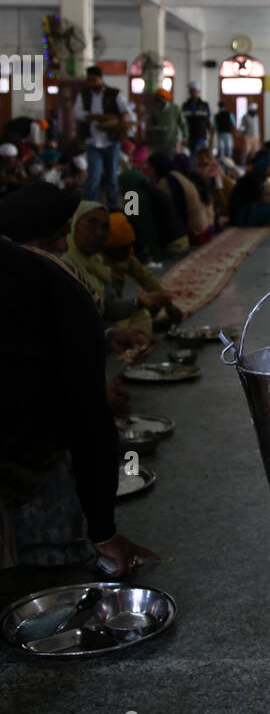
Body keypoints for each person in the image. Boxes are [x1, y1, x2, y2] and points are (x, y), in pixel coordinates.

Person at [0, 183, 157, 572]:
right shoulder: (60, 280)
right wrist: (103, 531)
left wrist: (103, 340)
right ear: (64, 232)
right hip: (23, 466)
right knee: (52, 570)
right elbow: (88, 416)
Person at [102, 212, 180, 333]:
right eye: (122, 249)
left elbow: (146, 278)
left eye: (128, 248)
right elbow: (108, 307)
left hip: (117, 306)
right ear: (107, 248)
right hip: (105, 312)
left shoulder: (124, 255)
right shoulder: (98, 261)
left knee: (149, 305)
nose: (126, 253)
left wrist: (166, 303)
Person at [72, 64, 133, 208]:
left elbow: (126, 110)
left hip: (111, 142)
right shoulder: (84, 95)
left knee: (112, 178)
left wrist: (122, 118)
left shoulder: (114, 93)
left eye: (93, 79)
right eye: (89, 80)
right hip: (93, 142)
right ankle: (91, 208)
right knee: (93, 178)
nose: (91, 83)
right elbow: (77, 113)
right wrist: (92, 117)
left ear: (100, 79)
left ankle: (113, 209)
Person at [148, 152, 214, 245]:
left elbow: (166, 213)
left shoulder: (166, 182)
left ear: (156, 167)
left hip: (195, 235)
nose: (147, 172)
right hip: (205, 230)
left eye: (149, 168)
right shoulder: (176, 176)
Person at [228, 150, 270, 226]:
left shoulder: (258, 177)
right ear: (263, 165)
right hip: (241, 216)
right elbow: (262, 200)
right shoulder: (253, 179)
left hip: (245, 212)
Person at [147, 86, 188, 156]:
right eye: (157, 100)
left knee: (170, 162)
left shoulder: (175, 109)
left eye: (160, 99)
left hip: (171, 142)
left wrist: (185, 137)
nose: (159, 102)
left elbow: (183, 124)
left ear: (165, 98)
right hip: (158, 143)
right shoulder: (155, 110)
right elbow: (150, 125)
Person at [182, 81, 212, 152]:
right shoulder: (185, 106)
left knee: (199, 158)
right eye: (191, 91)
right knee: (189, 160)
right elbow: (182, 123)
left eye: (195, 91)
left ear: (198, 92)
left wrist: (211, 137)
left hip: (201, 137)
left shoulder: (204, 105)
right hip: (189, 137)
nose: (193, 93)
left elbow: (209, 121)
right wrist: (184, 138)